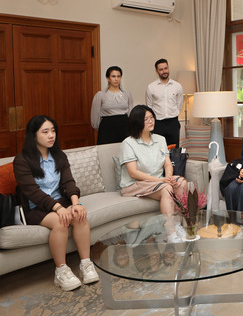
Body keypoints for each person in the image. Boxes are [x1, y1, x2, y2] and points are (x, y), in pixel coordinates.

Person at [13, 115, 99, 291]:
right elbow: (33, 193)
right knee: (61, 221)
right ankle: (61, 271)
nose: (51, 135)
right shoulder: (22, 160)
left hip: (59, 201)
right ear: (33, 135)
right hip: (34, 207)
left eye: (53, 131)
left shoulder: (59, 156)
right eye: (45, 132)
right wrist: (59, 208)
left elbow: (69, 183)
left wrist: (75, 204)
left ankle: (86, 264)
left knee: (79, 216)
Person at [118, 105, 188, 243]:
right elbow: (133, 173)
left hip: (157, 181)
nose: (151, 121)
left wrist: (168, 177)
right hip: (134, 184)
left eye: (152, 118)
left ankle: (178, 225)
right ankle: (171, 233)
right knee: (167, 188)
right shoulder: (128, 143)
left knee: (182, 182)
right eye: (146, 119)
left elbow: (167, 163)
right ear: (137, 122)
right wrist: (162, 181)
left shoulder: (160, 139)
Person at [90, 66, 134, 145]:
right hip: (107, 128)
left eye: (118, 76)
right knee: (106, 153)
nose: (116, 79)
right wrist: (100, 128)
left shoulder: (127, 94)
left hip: (124, 128)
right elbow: (95, 116)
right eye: (113, 76)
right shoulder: (100, 95)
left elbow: (131, 113)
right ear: (108, 78)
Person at [145, 59, 184, 148]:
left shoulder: (177, 86)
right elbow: (149, 106)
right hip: (158, 124)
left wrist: (175, 113)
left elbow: (179, 104)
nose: (164, 71)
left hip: (173, 122)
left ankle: (173, 162)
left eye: (165, 68)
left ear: (168, 68)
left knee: (174, 151)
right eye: (161, 69)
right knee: (158, 150)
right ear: (156, 71)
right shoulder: (151, 87)